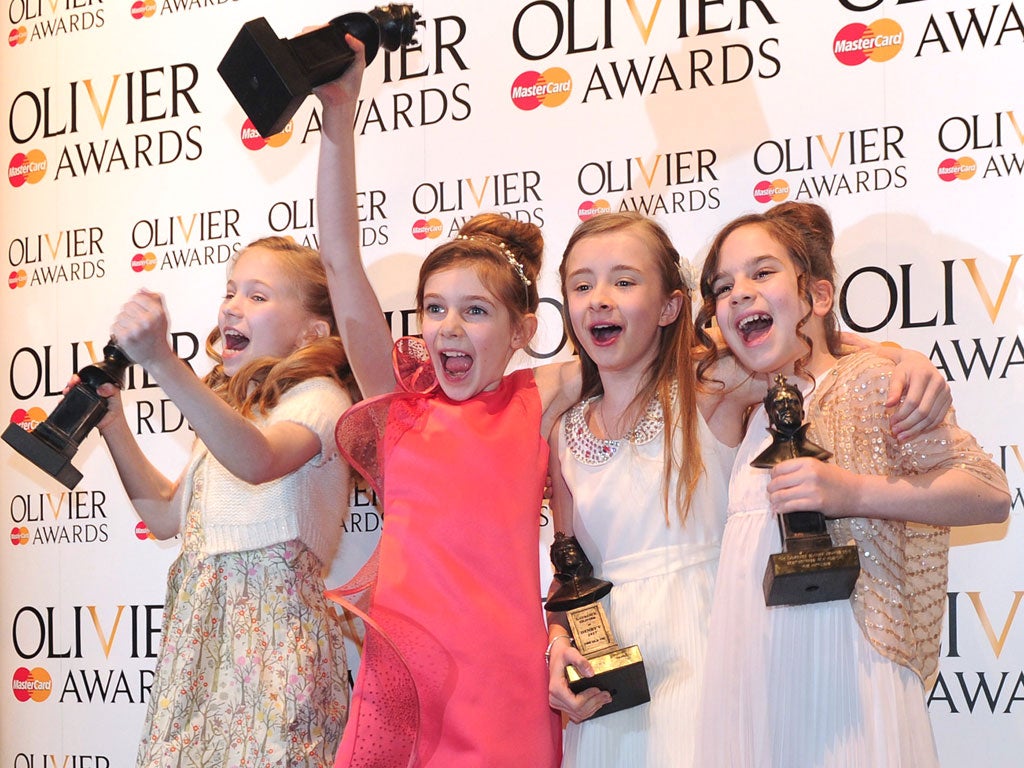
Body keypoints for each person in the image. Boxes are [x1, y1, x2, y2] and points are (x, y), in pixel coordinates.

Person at [542, 211, 952, 767]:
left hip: (717, 652)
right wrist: (559, 647)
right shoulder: (563, 430)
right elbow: (569, 580)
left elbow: (807, 348)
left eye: (624, 280)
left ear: (670, 307)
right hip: (614, 687)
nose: (600, 299)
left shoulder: (713, 386)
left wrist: (906, 358)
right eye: (582, 285)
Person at [315, 37, 577, 768]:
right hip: (404, 690)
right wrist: (340, 118)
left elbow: (662, 350)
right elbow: (338, 258)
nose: (448, 329)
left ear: (524, 330)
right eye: (434, 308)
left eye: (476, 311)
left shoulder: (543, 396)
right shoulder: (400, 408)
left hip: (508, 692)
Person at [692, 203, 1010, 767]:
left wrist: (852, 492)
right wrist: (892, 347)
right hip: (758, 679)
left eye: (761, 272)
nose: (739, 291)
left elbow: (987, 492)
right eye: (723, 285)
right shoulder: (749, 399)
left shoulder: (871, 384)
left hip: (847, 675)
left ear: (816, 295)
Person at [81, 237, 355, 766]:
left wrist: (160, 359)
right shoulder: (228, 419)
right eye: (231, 291)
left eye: (258, 296)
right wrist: (112, 424)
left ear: (311, 332)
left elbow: (258, 463)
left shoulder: (320, 397)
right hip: (200, 651)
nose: (232, 305)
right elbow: (163, 516)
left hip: (274, 656)